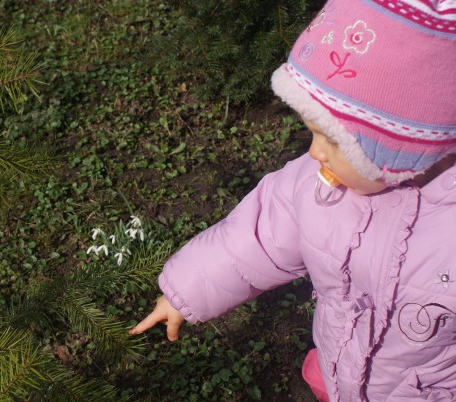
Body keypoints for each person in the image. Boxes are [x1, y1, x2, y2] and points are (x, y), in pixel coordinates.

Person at [129, 0, 456, 400]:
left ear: (405, 152)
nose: (315, 152)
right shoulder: (320, 184)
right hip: (340, 362)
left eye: (335, 140)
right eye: (313, 132)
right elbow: (259, 234)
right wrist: (188, 288)